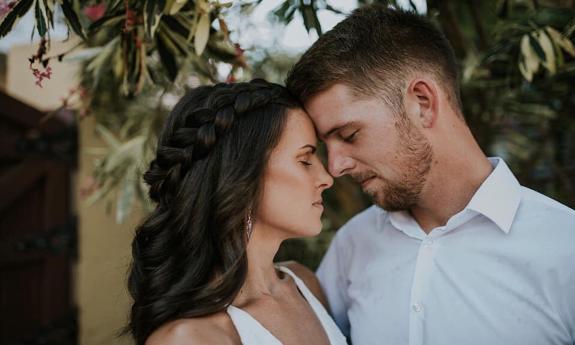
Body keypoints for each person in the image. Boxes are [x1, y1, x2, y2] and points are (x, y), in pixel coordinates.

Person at [286, 5, 575, 345]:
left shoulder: (564, 248)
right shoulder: (352, 246)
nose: (335, 167)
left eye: (349, 136)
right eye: (325, 146)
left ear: (422, 102)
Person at [125, 79, 347, 345]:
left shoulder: (304, 284)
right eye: (305, 160)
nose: (327, 177)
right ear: (241, 176)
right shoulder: (188, 339)